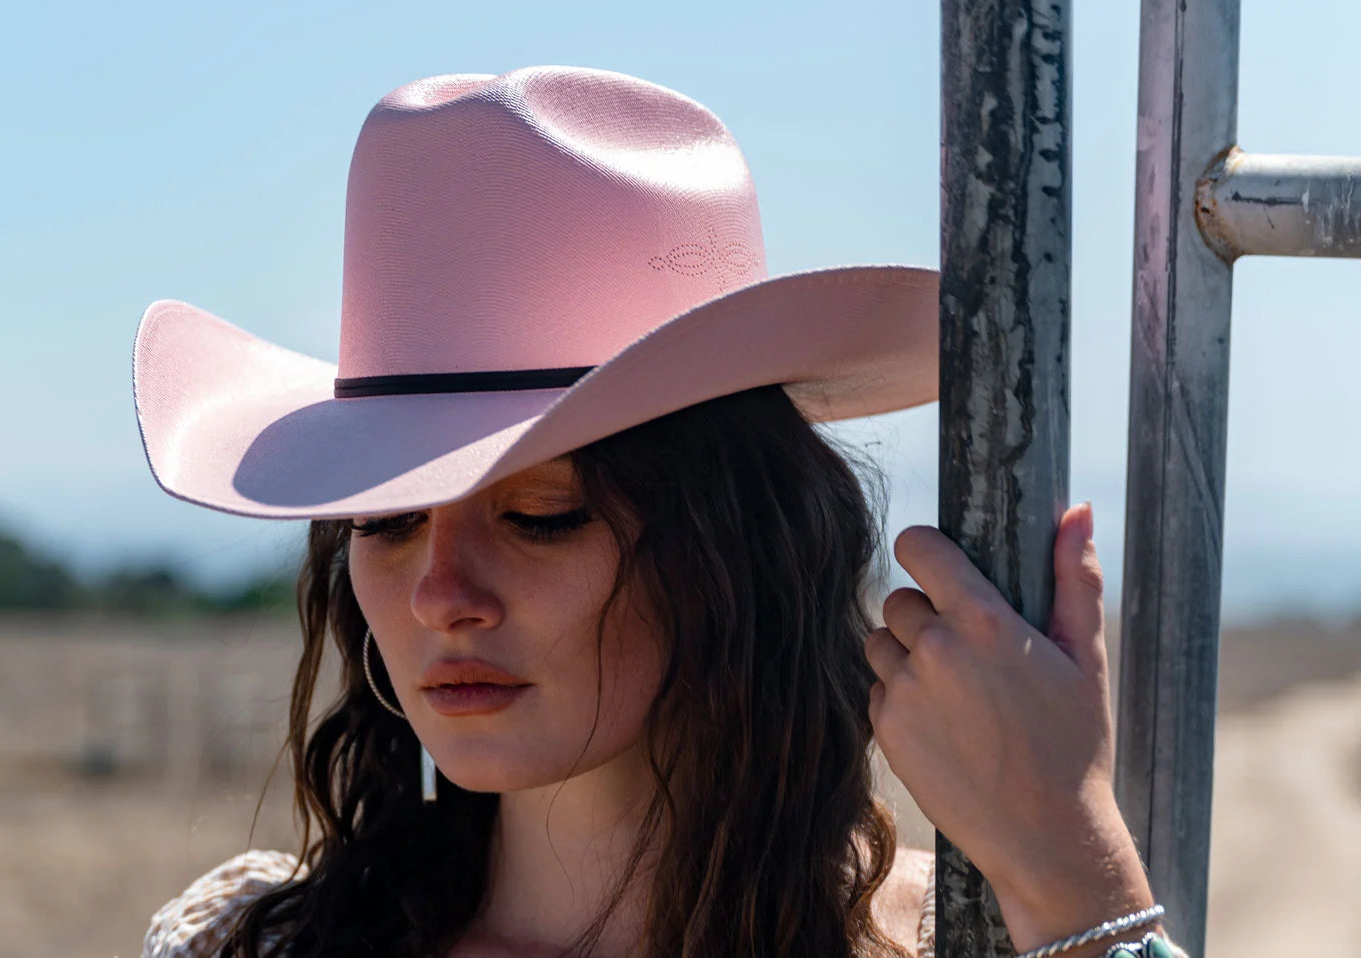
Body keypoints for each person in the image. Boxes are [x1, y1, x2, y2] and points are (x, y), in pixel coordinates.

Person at [134, 67, 1186, 958]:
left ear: (732, 545)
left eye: (541, 514)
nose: (439, 596)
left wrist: (1066, 863)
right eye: (386, 521)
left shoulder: (959, 940)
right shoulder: (252, 943)